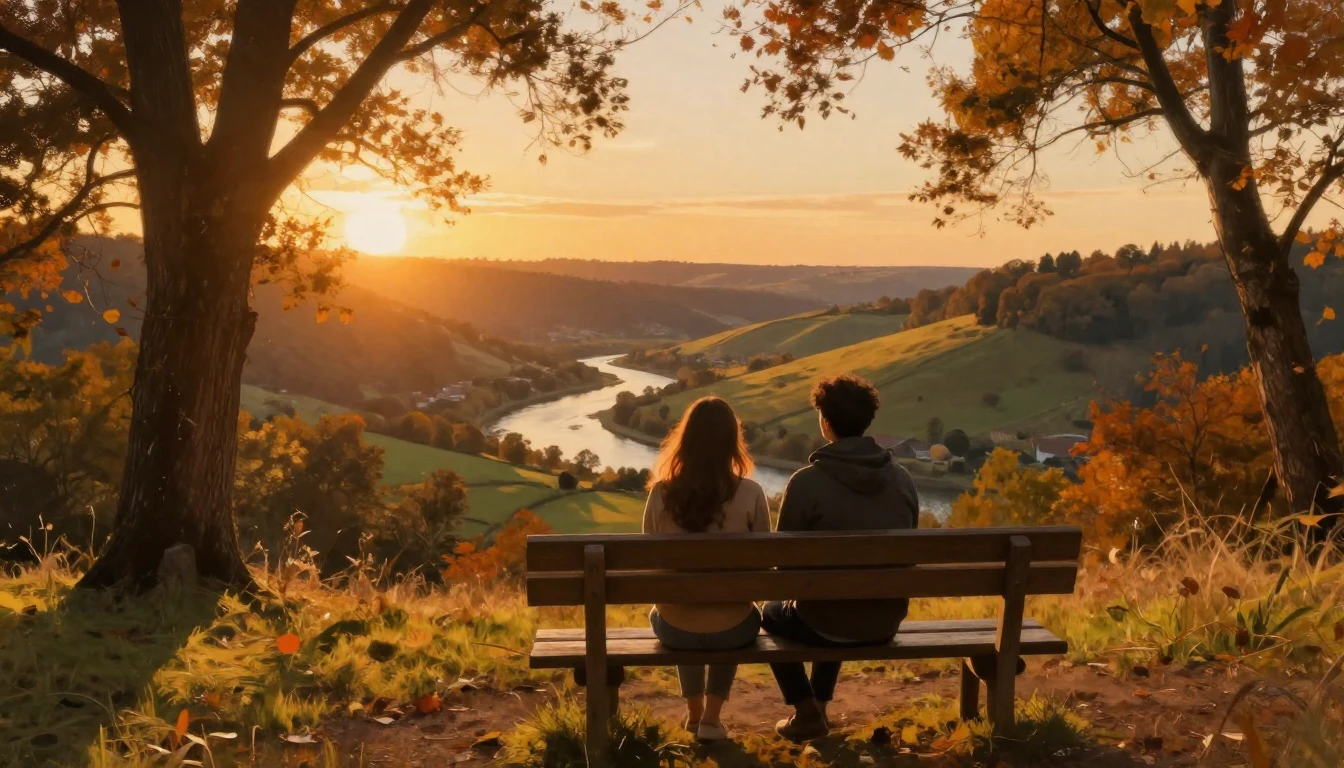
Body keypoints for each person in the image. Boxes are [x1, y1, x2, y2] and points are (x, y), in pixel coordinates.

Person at [765, 374, 919, 741]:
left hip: (825, 619)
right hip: (885, 621)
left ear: (825, 421)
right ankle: (819, 706)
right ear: (867, 421)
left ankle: (806, 710)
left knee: (770, 613)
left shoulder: (806, 482)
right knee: (834, 598)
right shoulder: (902, 480)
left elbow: (783, 565)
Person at [643, 396, 770, 742]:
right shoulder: (751, 493)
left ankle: (694, 713)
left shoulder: (661, 493)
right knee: (736, 613)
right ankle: (711, 720)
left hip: (675, 629)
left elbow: (650, 559)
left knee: (676, 604)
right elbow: (765, 562)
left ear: (685, 440)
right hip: (734, 629)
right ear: (732, 442)